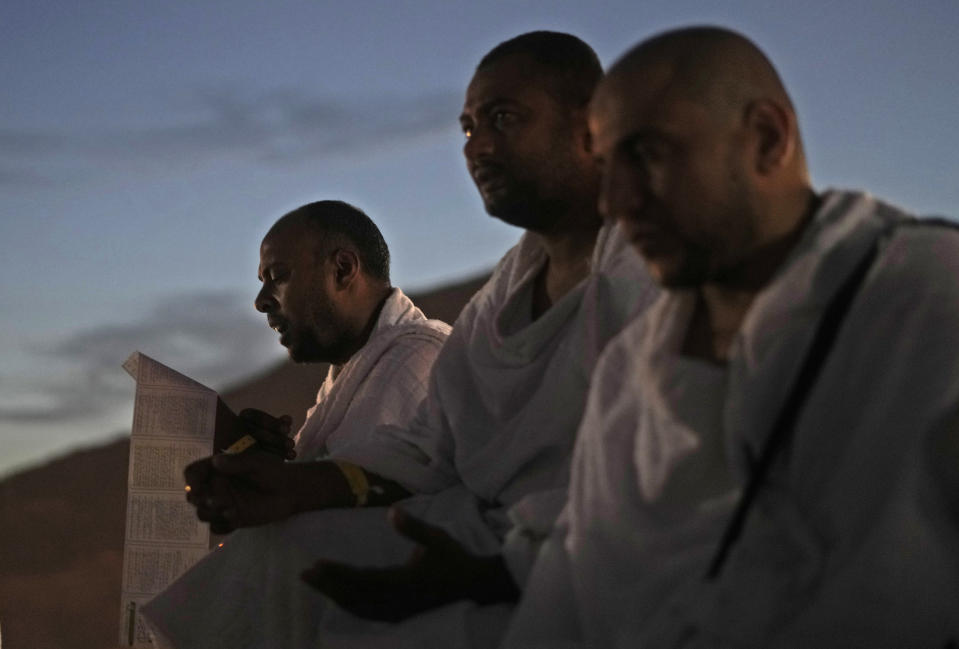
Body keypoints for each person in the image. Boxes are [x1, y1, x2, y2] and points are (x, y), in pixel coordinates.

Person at [142, 31, 658, 649]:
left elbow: (669, 473)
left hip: (595, 553)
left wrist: (497, 575)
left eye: (503, 118)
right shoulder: (502, 298)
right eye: (468, 127)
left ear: (591, 126)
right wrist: (292, 485)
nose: (479, 146)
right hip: (491, 533)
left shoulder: (655, 267)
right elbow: (427, 451)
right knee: (283, 551)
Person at [502, 26, 959, 648]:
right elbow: (574, 590)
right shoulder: (630, 367)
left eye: (648, 154)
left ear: (767, 139)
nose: (613, 201)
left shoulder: (926, 302)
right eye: (607, 166)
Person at [181, 200, 450, 534]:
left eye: (277, 276)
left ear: (342, 269)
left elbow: (369, 526)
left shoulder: (415, 361)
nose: (260, 301)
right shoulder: (354, 375)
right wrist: (256, 456)